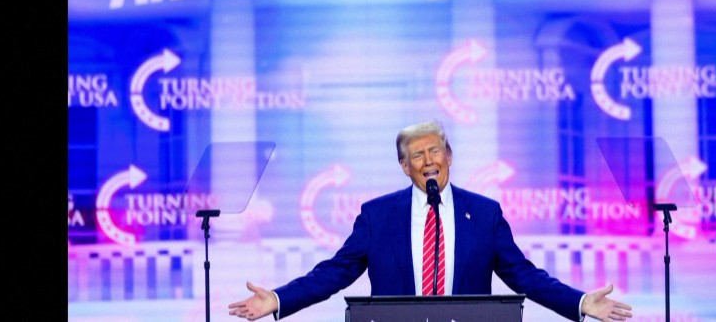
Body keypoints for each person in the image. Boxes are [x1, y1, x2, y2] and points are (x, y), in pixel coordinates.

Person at [228, 120, 633, 321]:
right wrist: (278, 299)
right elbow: (334, 272)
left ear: (449, 157)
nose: (428, 160)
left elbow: (524, 275)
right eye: (417, 155)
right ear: (404, 167)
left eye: (435, 151)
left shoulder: (485, 214)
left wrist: (580, 302)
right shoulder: (377, 216)